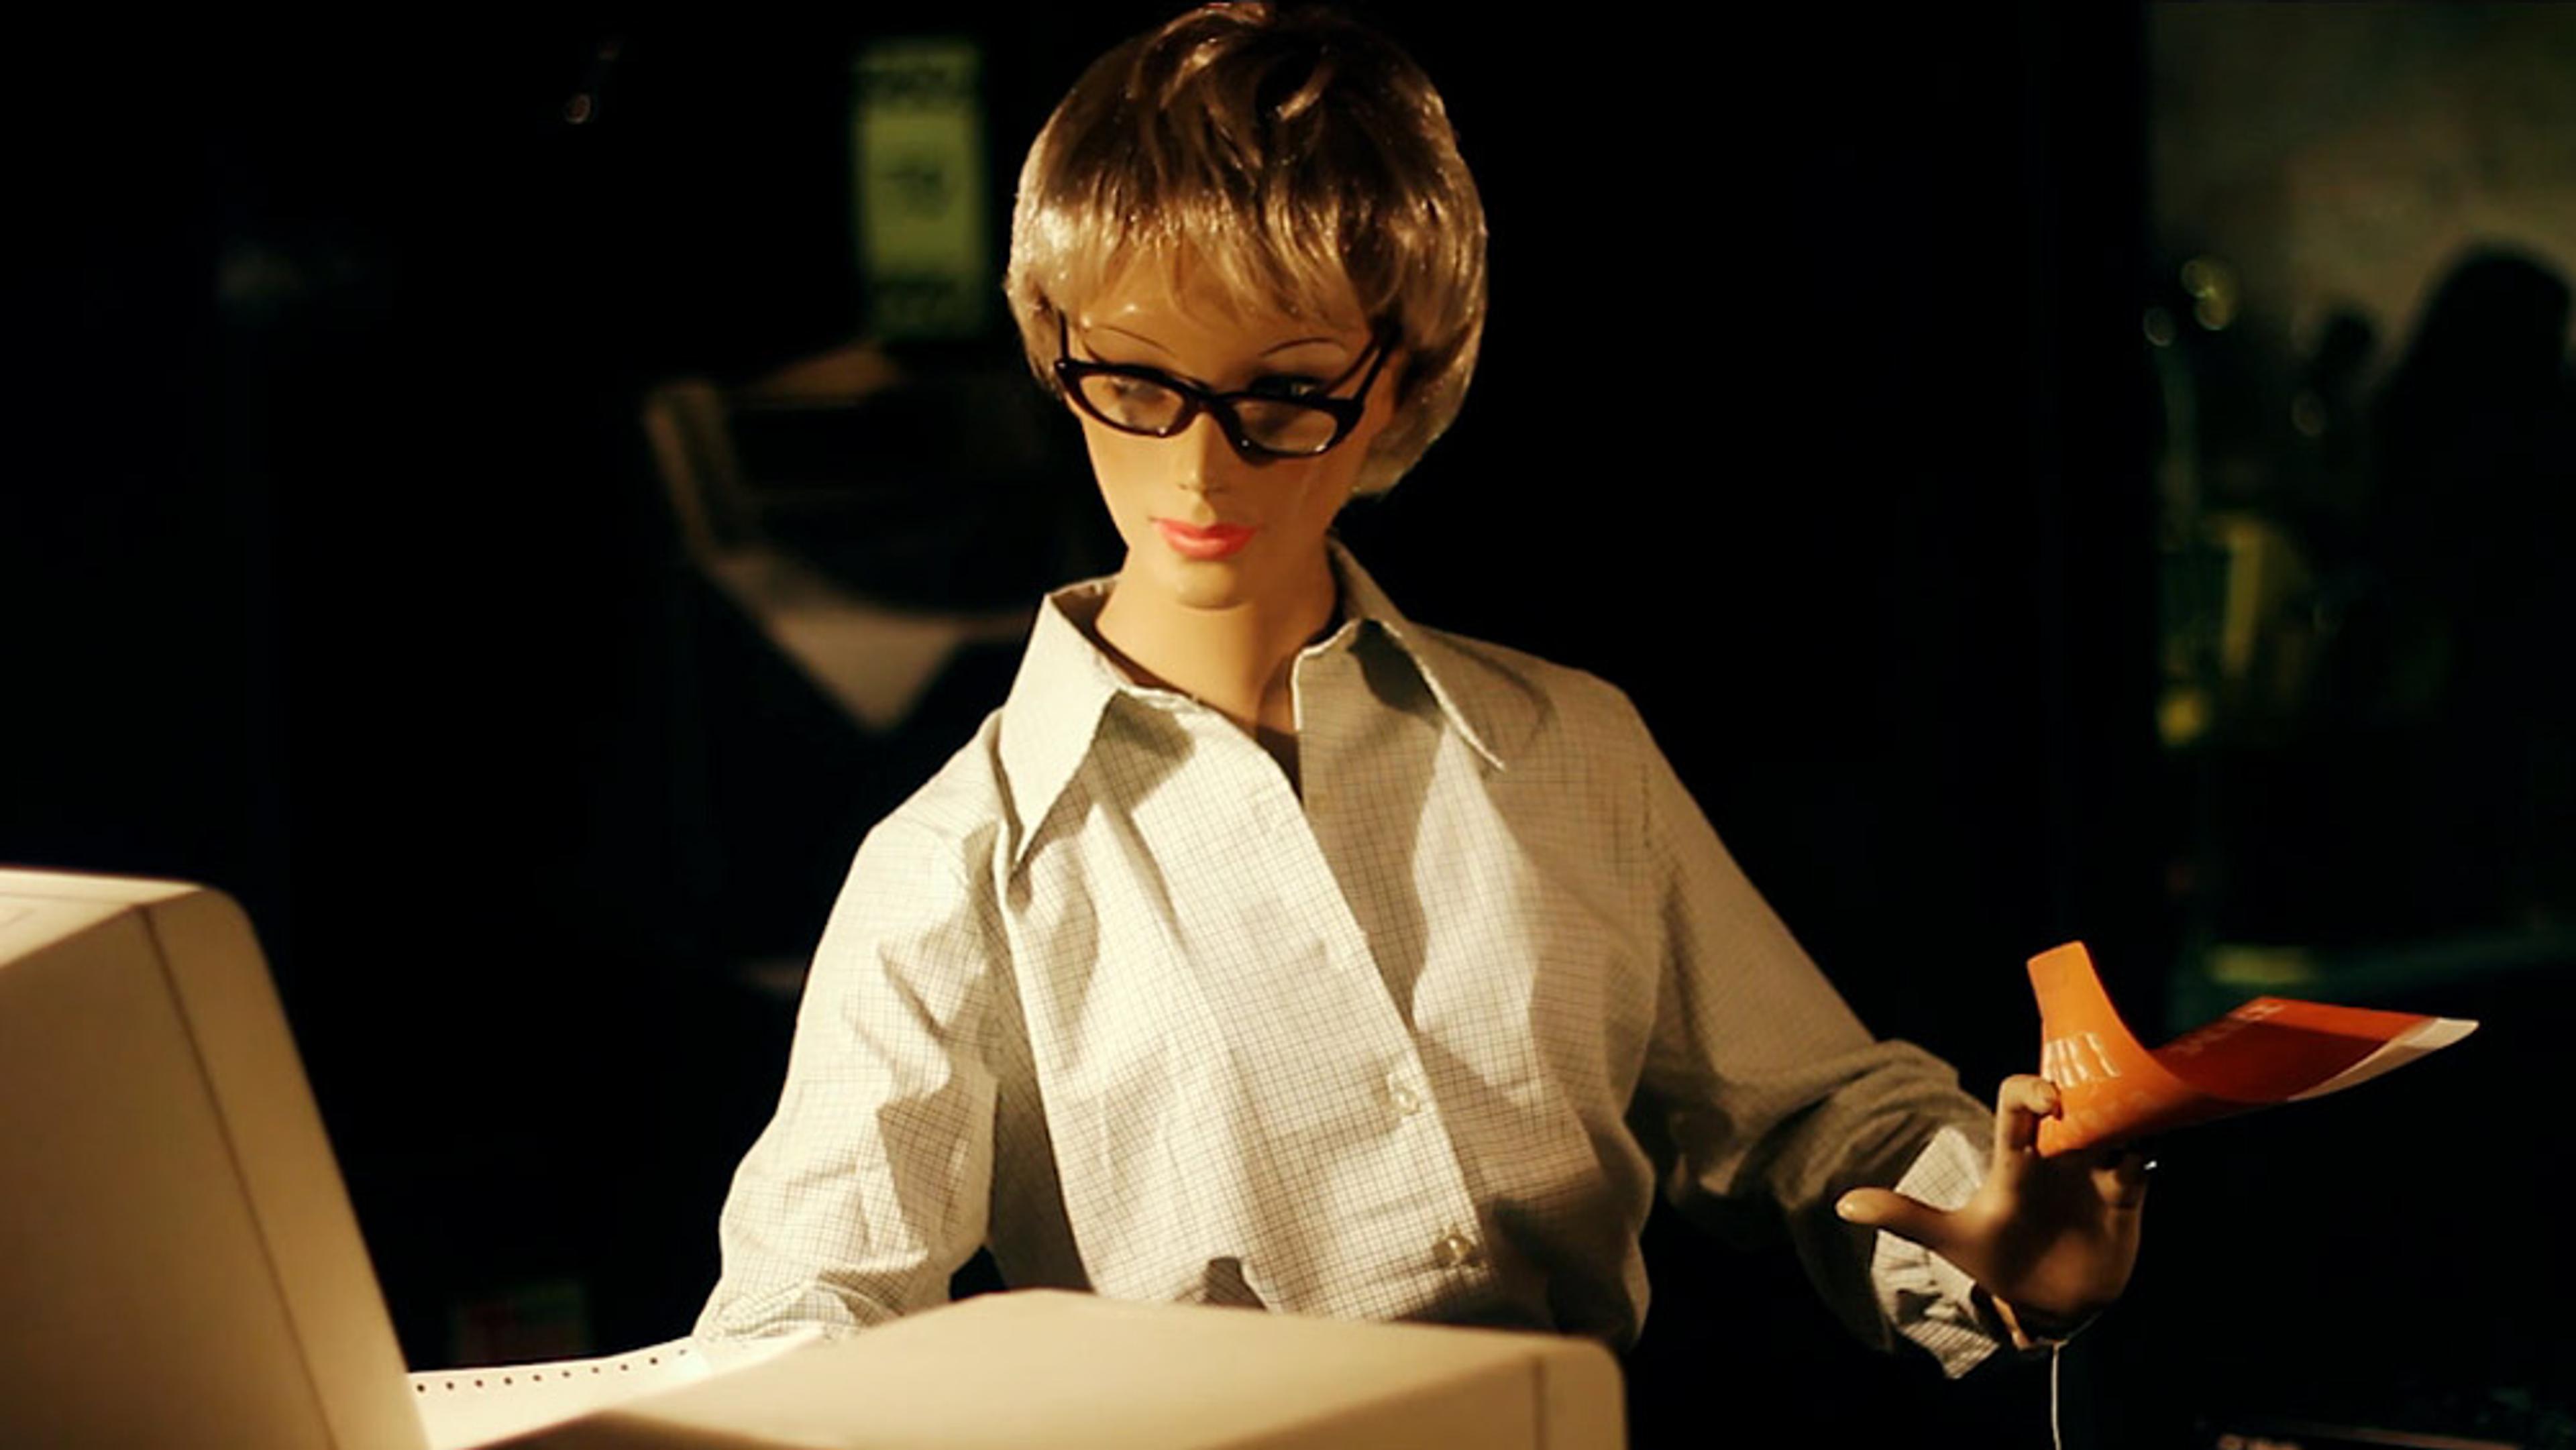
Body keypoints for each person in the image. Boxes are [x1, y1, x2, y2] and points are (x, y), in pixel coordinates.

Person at [695, 0, 2145, 1393]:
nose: (1201, 470)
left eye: (1286, 393)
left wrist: (1995, 1245)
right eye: (1135, 381)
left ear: (1400, 379)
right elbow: (796, 1324)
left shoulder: (1563, 753)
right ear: (1053, 346)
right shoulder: (960, 870)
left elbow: (1824, 1109)